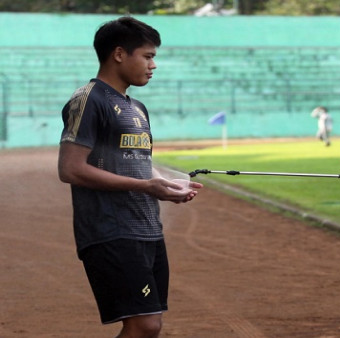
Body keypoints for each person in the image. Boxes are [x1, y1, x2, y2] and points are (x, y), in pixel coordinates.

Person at [58, 16, 203, 337]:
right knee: (144, 323)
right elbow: (70, 168)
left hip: (146, 228)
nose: (154, 65)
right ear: (119, 54)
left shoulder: (137, 107)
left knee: (149, 325)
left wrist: (165, 182)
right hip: (110, 229)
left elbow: (136, 161)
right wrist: (147, 186)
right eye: (148, 56)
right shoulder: (88, 99)